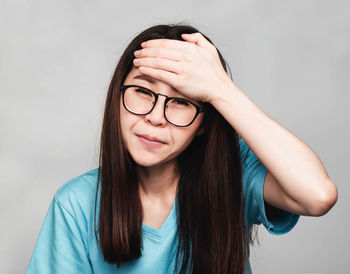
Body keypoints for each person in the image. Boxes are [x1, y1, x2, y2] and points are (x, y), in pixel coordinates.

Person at [26, 23, 338, 274]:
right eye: (142, 91)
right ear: (116, 99)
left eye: (180, 101)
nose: (155, 117)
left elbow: (318, 195)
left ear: (204, 121)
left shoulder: (236, 176)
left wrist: (220, 89)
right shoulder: (77, 203)